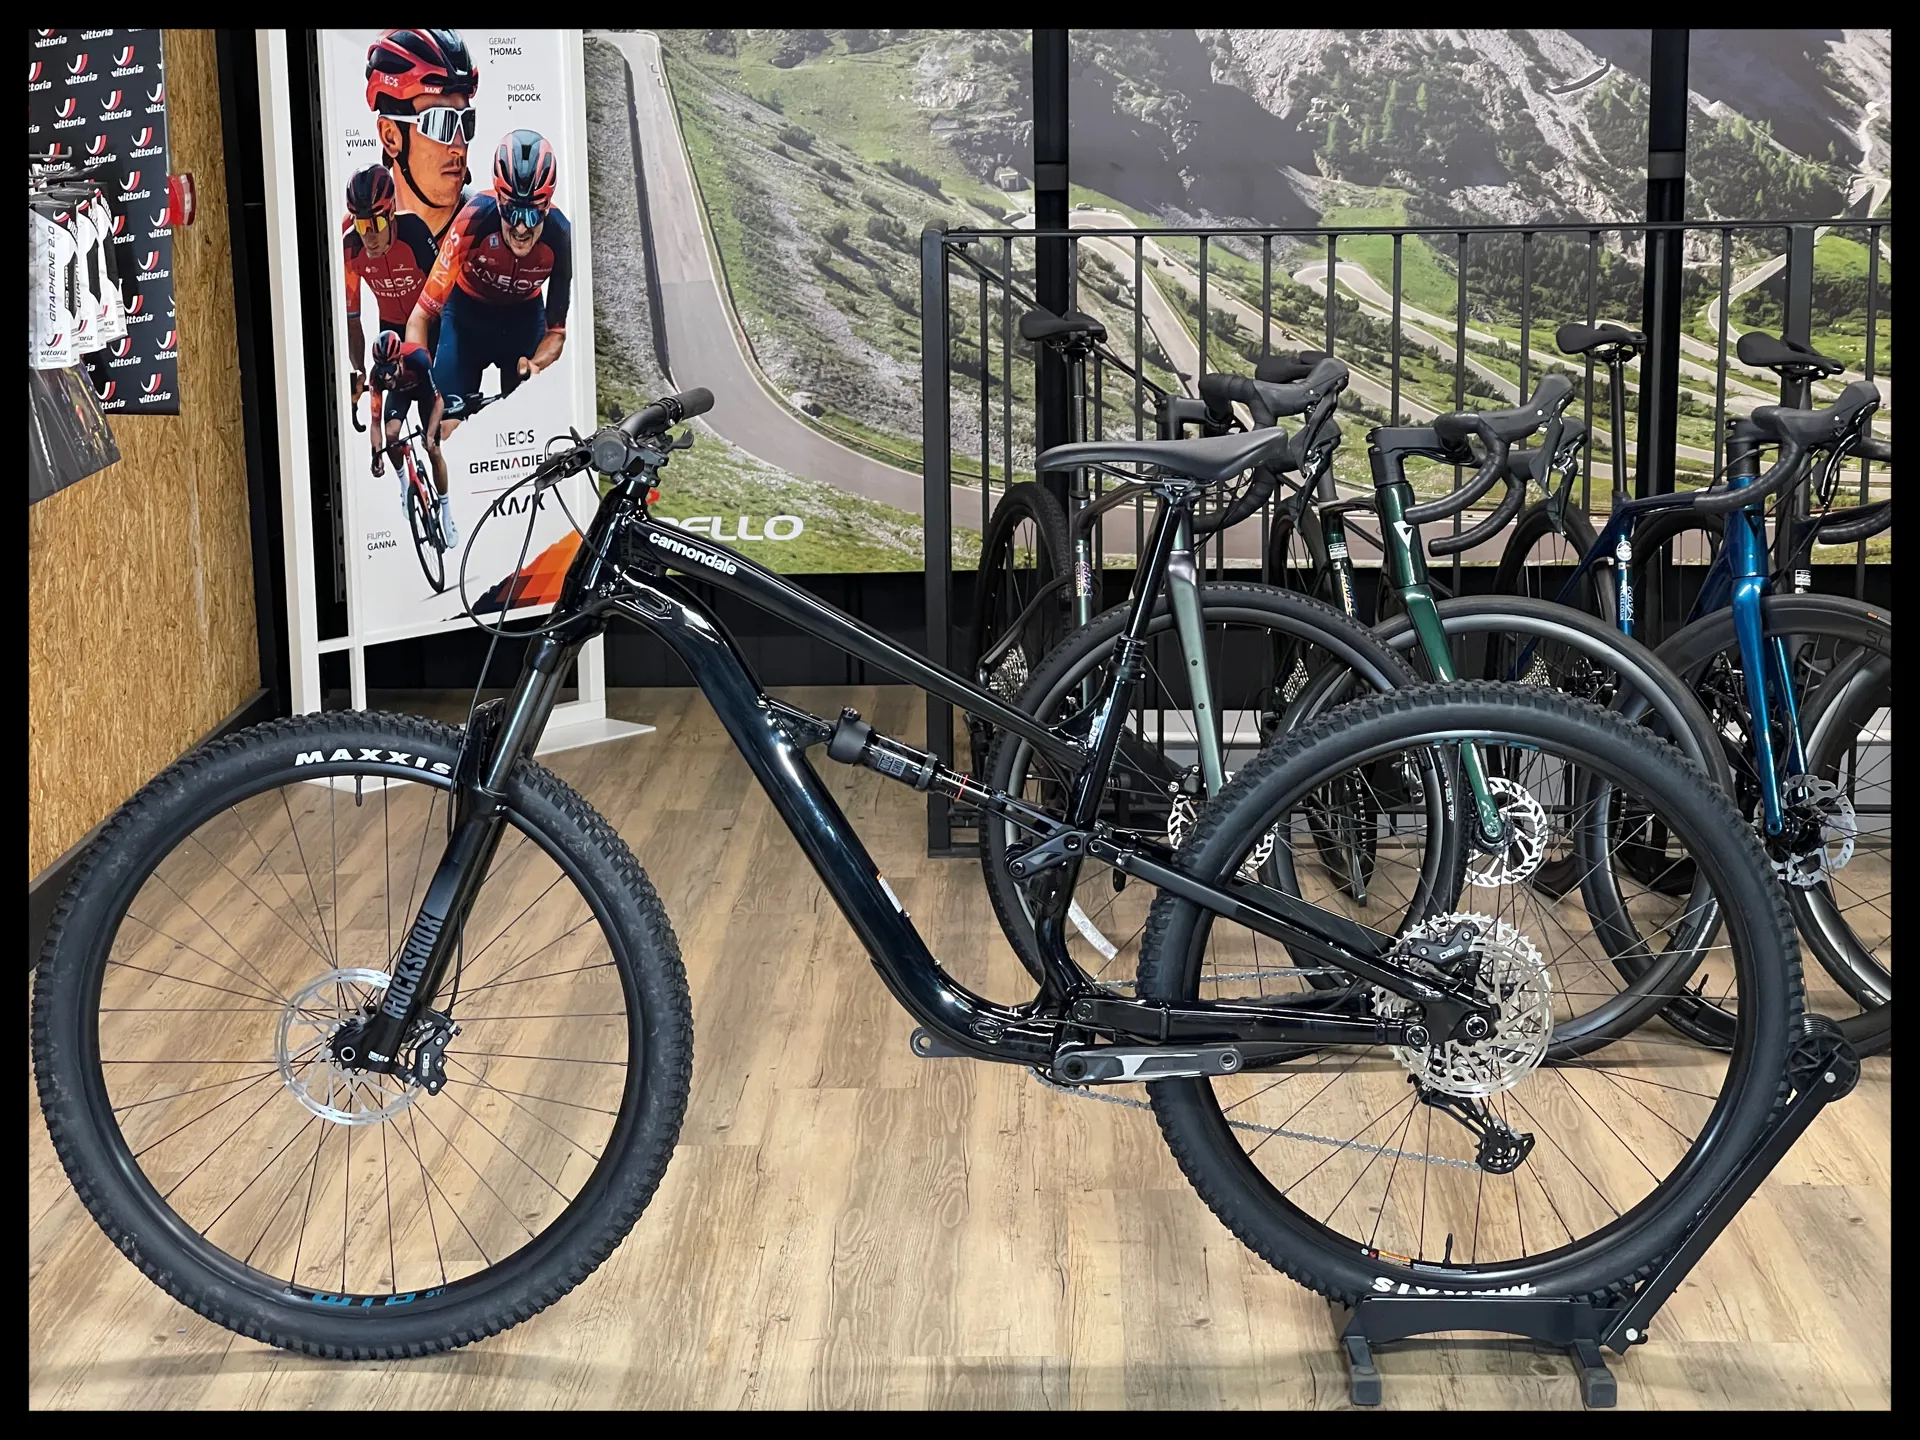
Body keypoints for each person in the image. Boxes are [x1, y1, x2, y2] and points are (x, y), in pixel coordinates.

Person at [408, 129, 571, 436]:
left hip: (523, 322)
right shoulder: (474, 219)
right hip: (466, 317)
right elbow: (421, 316)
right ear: (497, 199)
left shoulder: (561, 235)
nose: (521, 227)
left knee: (526, 427)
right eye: (511, 210)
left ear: (547, 206)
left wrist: (536, 363)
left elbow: (556, 333)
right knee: (443, 428)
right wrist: (421, 383)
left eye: (533, 214)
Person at [364, 28, 479, 244]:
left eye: (466, 122)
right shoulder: (362, 238)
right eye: (440, 123)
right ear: (390, 137)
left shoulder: (491, 231)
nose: (459, 146)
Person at [340, 165, 437, 410]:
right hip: (391, 330)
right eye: (361, 225)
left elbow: (447, 295)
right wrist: (359, 370)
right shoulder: (351, 247)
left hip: (430, 324)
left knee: (433, 405)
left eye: (377, 223)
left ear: (392, 211)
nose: (369, 236)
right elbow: (353, 320)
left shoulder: (414, 231)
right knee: (393, 415)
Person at [367, 329, 455, 546]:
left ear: (399, 361)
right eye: (382, 370)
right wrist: (376, 455)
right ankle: (404, 485)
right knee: (391, 435)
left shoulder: (418, 358)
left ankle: (446, 514)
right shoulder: (377, 377)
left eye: (390, 369)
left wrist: (431, 434)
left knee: (434, 450)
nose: (386, 377)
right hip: (400, 395)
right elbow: (375, 423)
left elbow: (439, 402)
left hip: (425, 393)